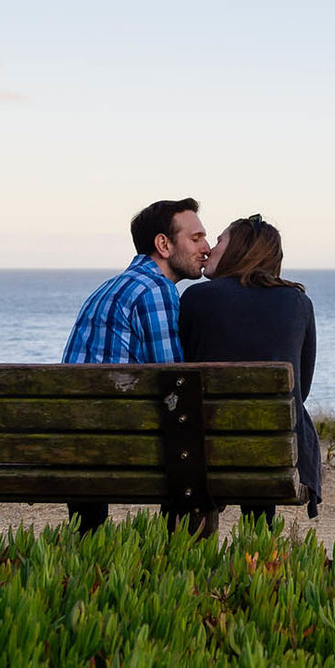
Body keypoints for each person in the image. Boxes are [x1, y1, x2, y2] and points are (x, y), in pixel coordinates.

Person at [60, 196, 208, 529]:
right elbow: (175, 383)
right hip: (115, 448)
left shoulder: (109, 287)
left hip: (73, 445)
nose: (207, 248)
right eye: (196, 238)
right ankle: (181, 558)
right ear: (163, 245)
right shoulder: (156, 291)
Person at [179, 213, 323, 523]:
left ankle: (190, 553)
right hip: (273, 453)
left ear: (238, 249)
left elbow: (183, 372)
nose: (209, 249)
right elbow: (302, 388)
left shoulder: (195, 299)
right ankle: (257, 549)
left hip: (203, 453)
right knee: (265, 426)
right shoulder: (297, 303)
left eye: (218, 241)